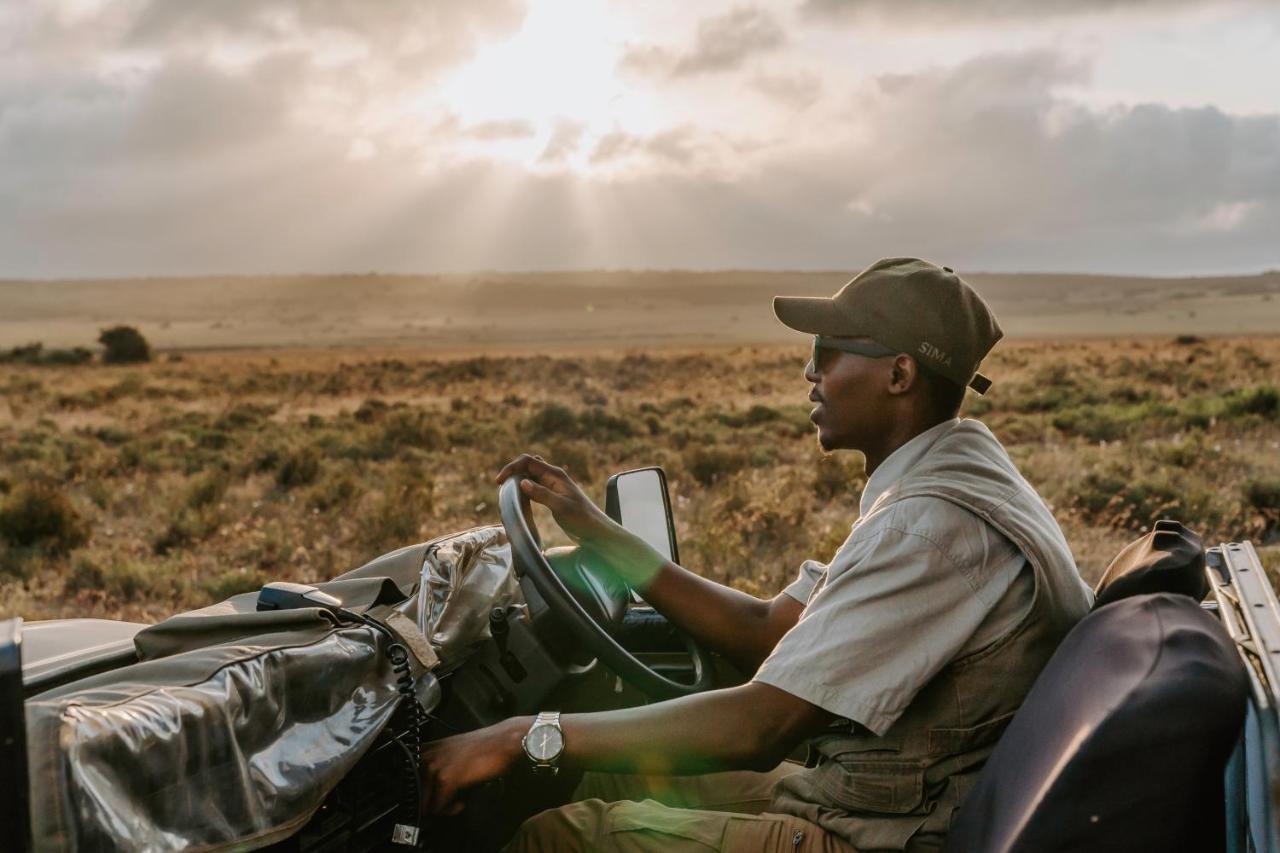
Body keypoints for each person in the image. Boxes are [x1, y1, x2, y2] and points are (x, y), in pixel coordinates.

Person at [419, 257, 1095, 851]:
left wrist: (519, 735)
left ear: (899, 373)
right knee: (605, 772)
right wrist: (597, 531)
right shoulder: (952, 476)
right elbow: (769, 630)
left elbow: (761, 725)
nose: (811, 370)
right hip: (876, 797)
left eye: (829, 350)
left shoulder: (928, 528)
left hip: (879, 834)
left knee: (553, 836)